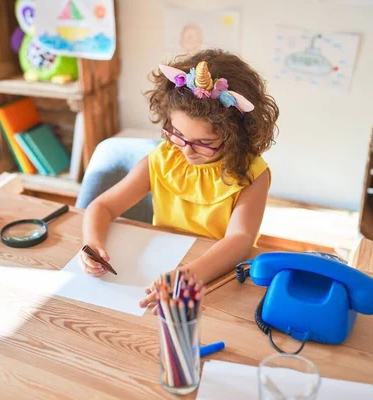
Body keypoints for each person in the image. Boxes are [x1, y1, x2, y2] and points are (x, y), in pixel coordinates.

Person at [78, 48, 279, 312]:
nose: (186, 150)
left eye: (204, 143)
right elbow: (102, 207)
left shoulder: (252, 174)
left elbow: (240, 241)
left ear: (236, 137)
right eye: (178, 134)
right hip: (161, 266)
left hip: (219, 278)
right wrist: (92, 243)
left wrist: (187, 276)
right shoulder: (163, 159)